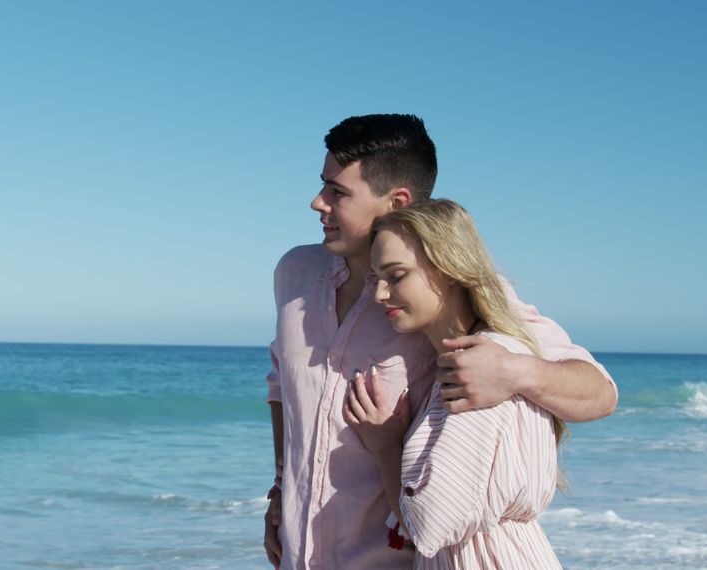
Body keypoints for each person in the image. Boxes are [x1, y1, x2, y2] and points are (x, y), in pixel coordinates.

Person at [263, 114, 616, 569]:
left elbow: (599, 394)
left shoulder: (444, 293)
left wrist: (514, 371)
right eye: (322, 185)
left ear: (397, 202)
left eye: (338, 191)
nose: (317, 202)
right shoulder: (293, 274)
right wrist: (279, 488)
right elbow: (281, 388)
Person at [344, 199, 565, 568]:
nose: (380, 293)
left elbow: (429, 524)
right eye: (376, 278)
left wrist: (386, 444)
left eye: (396, 276)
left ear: (448, 269)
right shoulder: (477, 358)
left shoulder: (479, 366)